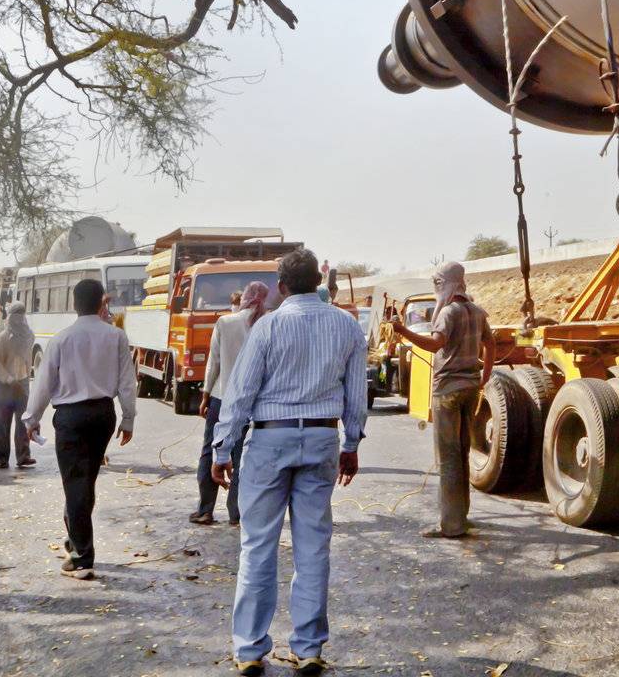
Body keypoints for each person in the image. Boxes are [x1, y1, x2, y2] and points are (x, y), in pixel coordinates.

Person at [212, 248, 367, 677]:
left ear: (281, 286)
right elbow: (357, 395)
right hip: (321, 439)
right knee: (313, 545)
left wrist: (222, 449)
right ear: (318, 280)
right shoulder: (347, 326)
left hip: (270, 440)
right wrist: (351, 444)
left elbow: (240, 394)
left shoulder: (268, 327)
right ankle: (309, 646)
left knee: (258, 544)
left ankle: (249, 649)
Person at [23, 278, 136, 581]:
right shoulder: (116, 337)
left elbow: (44, 383)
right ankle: (76, 540)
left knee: (76, 483)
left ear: (74, 304)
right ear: (102, 303)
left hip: (71, 418)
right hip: (102, 415)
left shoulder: (61, 339)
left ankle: (82, 558)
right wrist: (128, 419)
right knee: (85, 482)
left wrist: (31, 419)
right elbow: (127, 382)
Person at [389, 261, 494, 540]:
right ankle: (462, 516)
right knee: (461, 454)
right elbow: (491, 344)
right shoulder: (476, 311)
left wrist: (404, 332)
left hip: (447, 390)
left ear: (446, 284)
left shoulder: (449, 312)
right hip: (471, 388)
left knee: (447, 459)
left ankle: (451, 525)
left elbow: (435, 344)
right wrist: (484, 376)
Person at [190, 280, 269, 527]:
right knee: (242, 456)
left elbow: (214, 363)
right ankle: (236, 513)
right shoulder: (267, 324)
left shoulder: (225, 322)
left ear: (244, 297)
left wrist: (204, 395)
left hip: (221, 397)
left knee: (210, 451)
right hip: (253, 403)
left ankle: (205, 510)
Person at [0, 301, 35, 470]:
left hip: (23, 382)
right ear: (10, 316)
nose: (19, 317)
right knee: (1, 423)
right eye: (17, 313)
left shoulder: (29, 335)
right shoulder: (2, 338)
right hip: (4, 386)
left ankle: (23, 456)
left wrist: (24, 380)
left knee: (23, 421)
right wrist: (11, 381)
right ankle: (0, 458)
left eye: (22, 313)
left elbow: (27, 359)